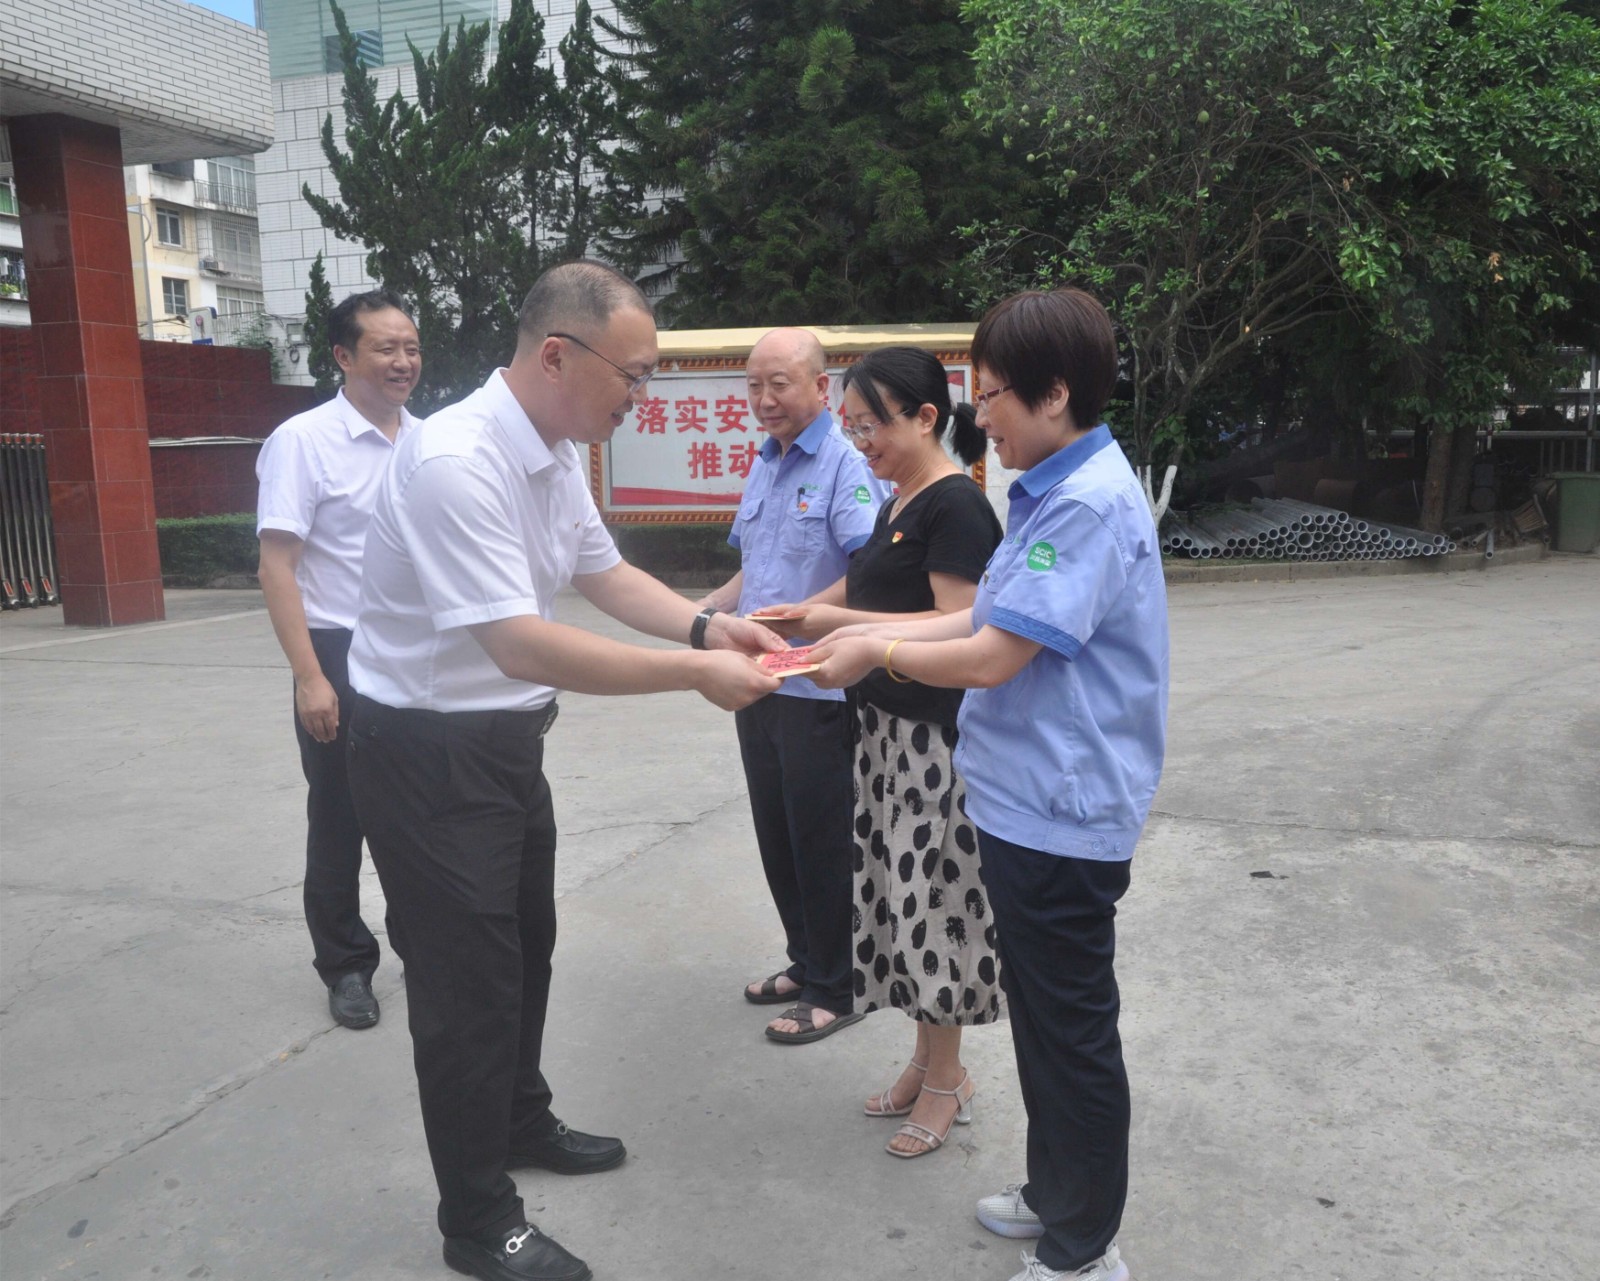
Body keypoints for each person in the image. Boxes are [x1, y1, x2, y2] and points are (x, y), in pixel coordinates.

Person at [343, 261, 782, 1281]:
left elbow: (603, 572)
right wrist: (695, 673)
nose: (642, 396)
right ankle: (477, 1219)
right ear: (556, 355)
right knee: (465, 987)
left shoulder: (551, 452)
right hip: (425, 755)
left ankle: (517, 1119)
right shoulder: (454, 462)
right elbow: (519, 643)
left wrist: (709, 626)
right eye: (633, 374)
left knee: (525, 949)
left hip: (502, 745)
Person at [809, 288, 1168, 1281]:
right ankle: (1056, 1195)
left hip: (1062, 810)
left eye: (994, 395)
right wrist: (855, 629)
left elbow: (993, 656)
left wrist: (874, 650)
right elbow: (978, 620)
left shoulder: (1085, 506)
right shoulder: (1050, 489)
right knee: (1047, 1026)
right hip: (1022, 801)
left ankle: (1084, 1251)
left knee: (1070, 1032)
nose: (982, 418)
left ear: (1054, 394)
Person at [758, 346, 1002, 1157]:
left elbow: (958, 623)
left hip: (934, 739)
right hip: (885, 732)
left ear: (926, 417)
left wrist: (848, 629)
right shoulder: (902, 498)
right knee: (899, 902)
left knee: (933, 904)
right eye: (854, 428)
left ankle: (948, 1078)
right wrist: (808, 612)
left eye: (873, 427)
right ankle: (927, 1061)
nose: (862, 444)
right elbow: (866, 583)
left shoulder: (956, 507)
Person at [695, 327, 890, 1044]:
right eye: (754, 384)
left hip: (819, 686)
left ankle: (838, 986)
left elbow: (869, 569)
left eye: (779, 383)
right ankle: (805, 961)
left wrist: (804, 618)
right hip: (757, 682)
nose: (764, 398)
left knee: (822, 839)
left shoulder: (844, 464)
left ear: (820, 387)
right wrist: (705, 613)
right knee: (777, 832)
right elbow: (755, 568)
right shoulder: (767, 462)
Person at [255, 289, 422, 1030]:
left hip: (416, 648)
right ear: (343, 356)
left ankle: (424, 941)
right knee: (340, 813)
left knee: (421, 809)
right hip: (338, 648)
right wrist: (310, 677)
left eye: (411, 347)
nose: (403, 361)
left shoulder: (428, 440)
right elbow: (277, 565)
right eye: (386, 348)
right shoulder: (302, 441)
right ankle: (347, 964)